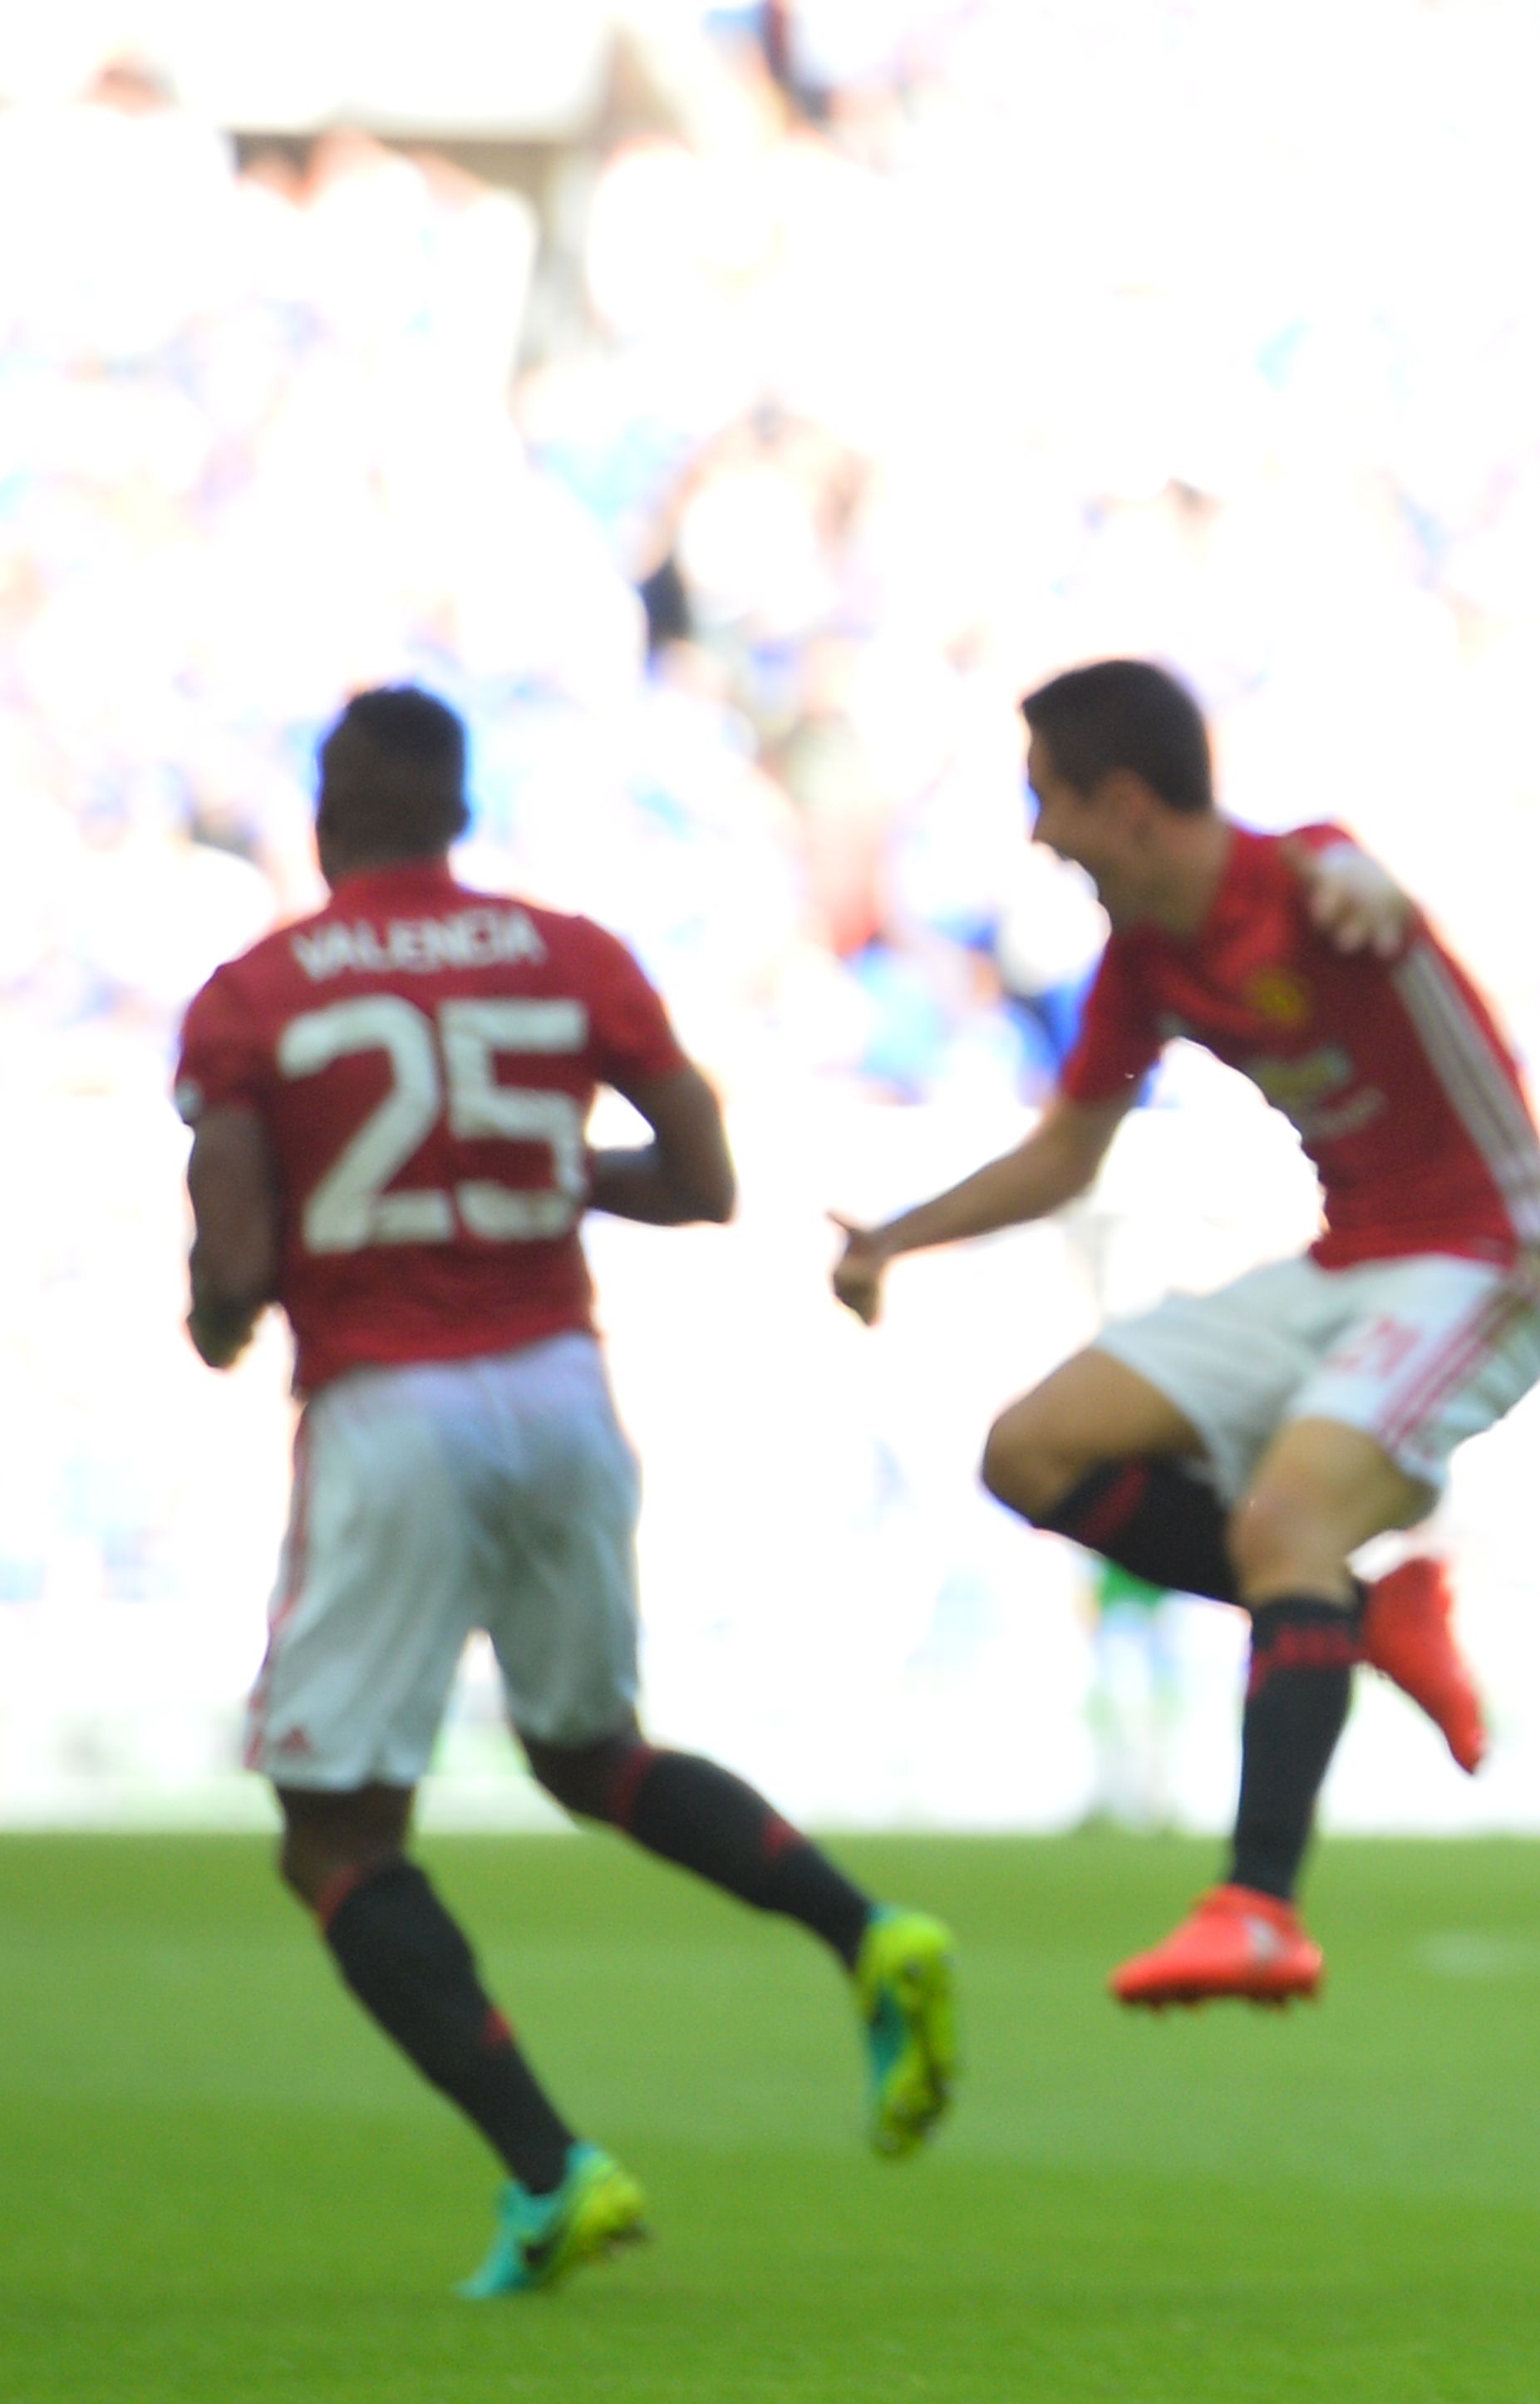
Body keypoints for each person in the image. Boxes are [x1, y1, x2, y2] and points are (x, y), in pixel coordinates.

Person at [175, 686, 959, 2299]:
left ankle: (552, 2170)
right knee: (589, 1748)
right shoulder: (567, 953)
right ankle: (862, 1927)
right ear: (458, 812)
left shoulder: (254, 995)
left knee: (334, 1837)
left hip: (392, 1402)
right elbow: (703, 1179)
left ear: (328, 817)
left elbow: (240, 1264)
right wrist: (533, 1174)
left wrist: (220, 1308)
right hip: (557, 1388)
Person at [829, 659, 1540, 2009]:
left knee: (1288, 1523)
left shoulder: (1310, 880)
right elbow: (1064, 1157)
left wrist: (1374, 898)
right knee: (1031, 1453)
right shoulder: (1147, 958)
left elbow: (1363, 889)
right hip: (1347, 1263)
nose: (1039, 835)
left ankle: (1261, 1908)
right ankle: (1367, 1611)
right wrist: (892, 1241)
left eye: (1048, 801)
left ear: (1126, 802)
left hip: (1485, 1262)